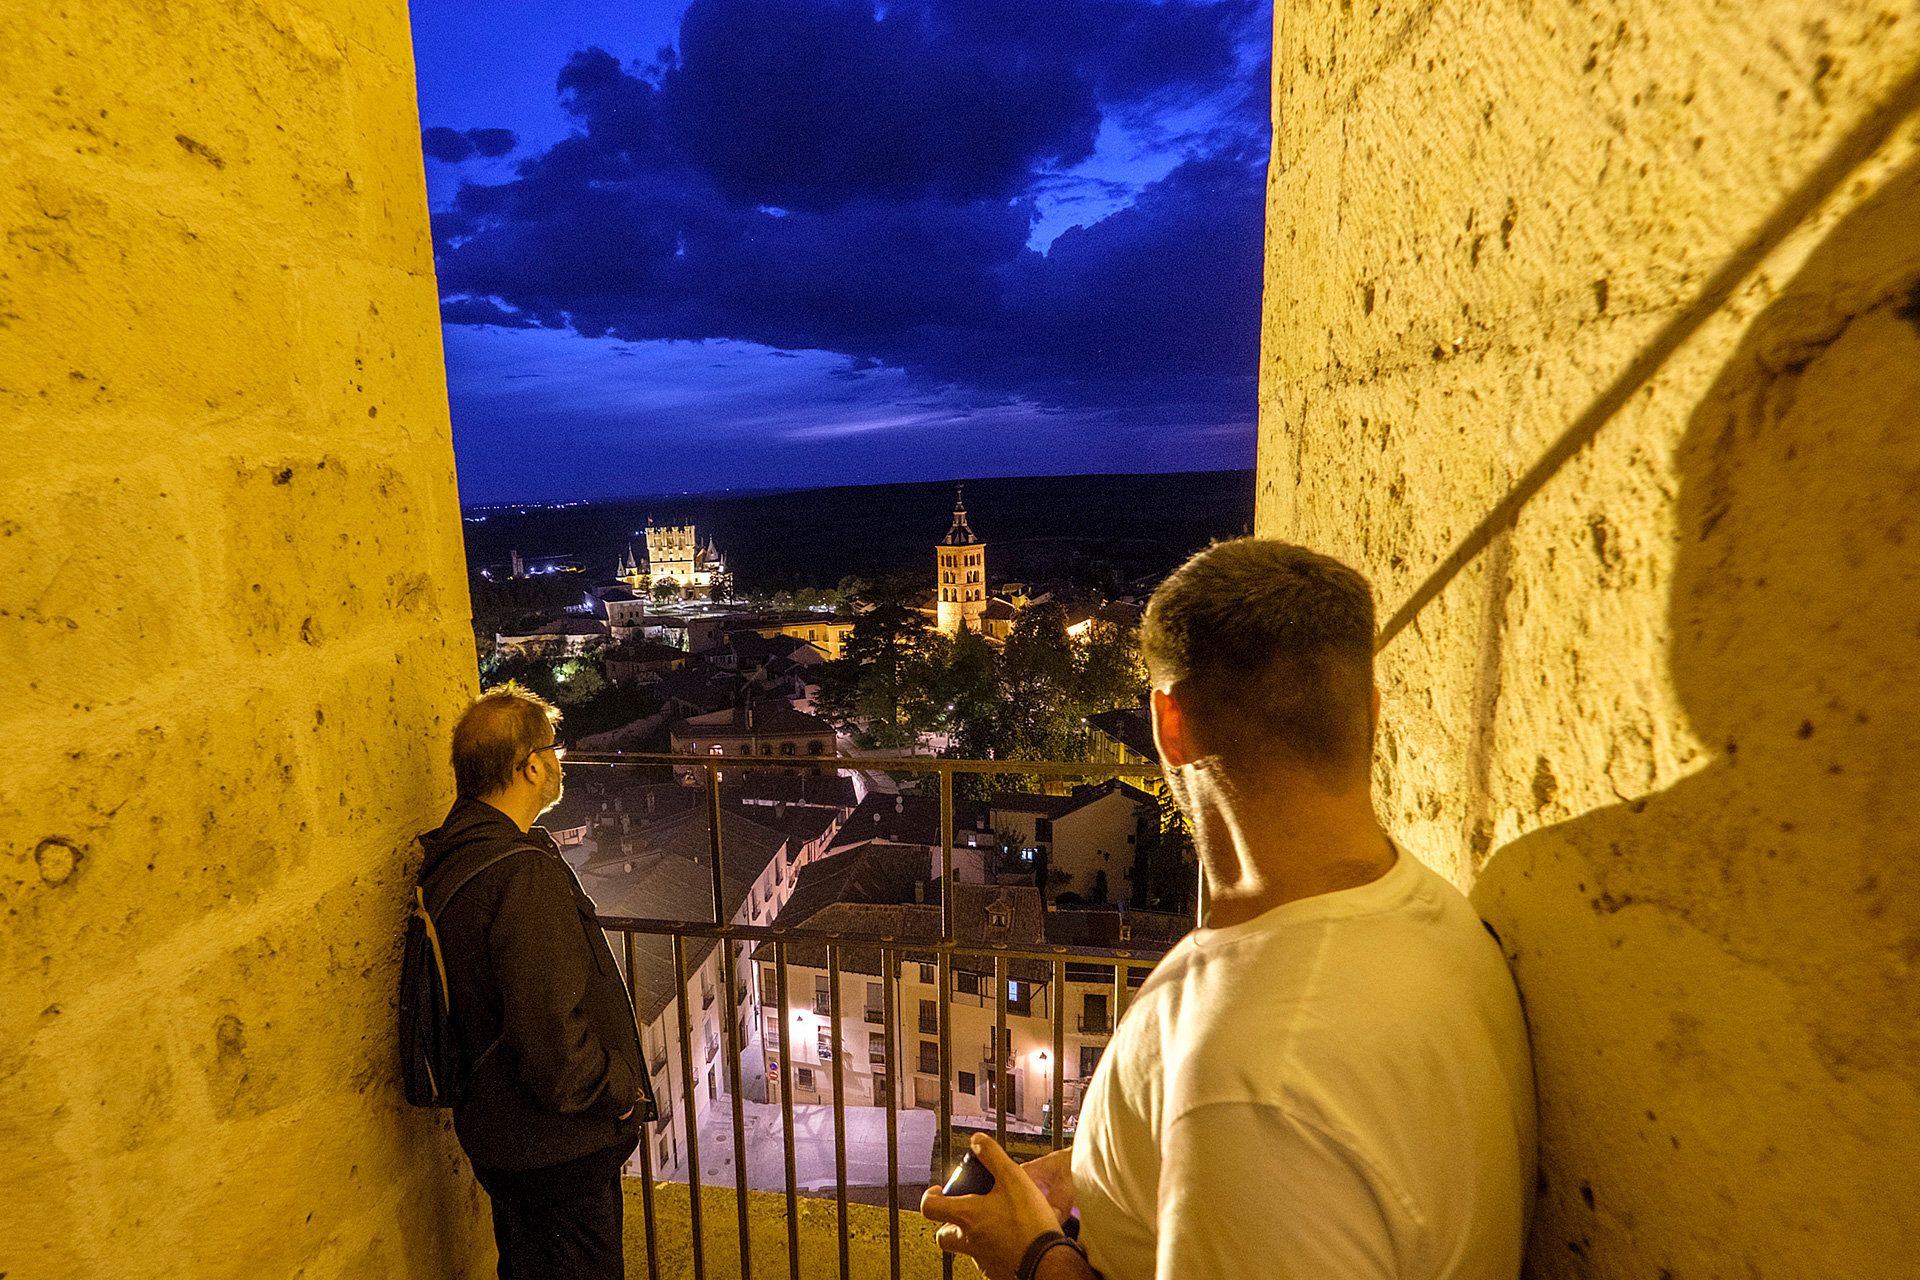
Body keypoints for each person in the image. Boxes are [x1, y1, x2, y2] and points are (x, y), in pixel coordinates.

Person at [921, 540, 1536, 1280]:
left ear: (1168, 725)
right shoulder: (1434, 918)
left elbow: (1260, 1130)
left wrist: (1029, 1256)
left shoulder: (1258, 1085)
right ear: (1369, 711)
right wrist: (1106, 1168)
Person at [417, 686, 650, 1279]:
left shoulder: (457, 855)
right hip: (557, 1151)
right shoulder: (521, 874)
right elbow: (552, 1038)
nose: (560, 762)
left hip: (506, 1137)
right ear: (531, 765)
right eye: (556, 750)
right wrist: (619, 1095)